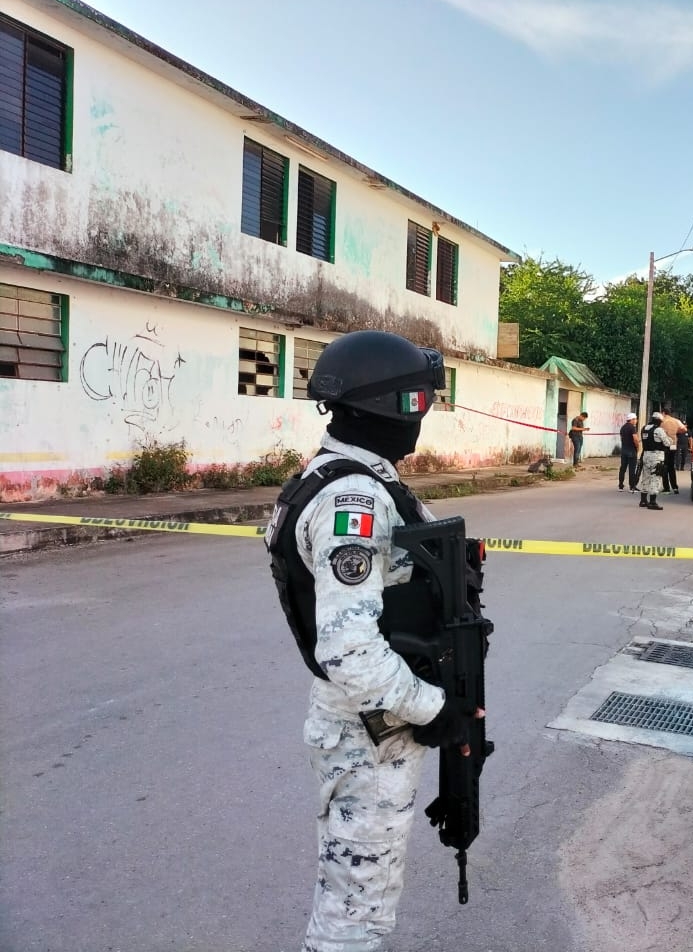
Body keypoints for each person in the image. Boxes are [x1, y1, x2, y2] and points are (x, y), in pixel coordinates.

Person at [263, 329, 483, 952]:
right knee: (357, 909)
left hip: (370, 722)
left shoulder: (350, 477)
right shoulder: (353, 498)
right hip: (370, 728)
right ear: (391, 408)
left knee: (355, 892)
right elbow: (349, 647)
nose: (423, 416)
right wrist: (434, 710)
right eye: (419, 401)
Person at [638, 411, 674, 510]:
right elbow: (667, 443)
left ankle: (643, 500)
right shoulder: (658, 430)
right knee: (655, 478)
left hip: (645, 455)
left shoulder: (644, 428)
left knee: (645, 477)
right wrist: (670, 439)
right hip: (656, 457)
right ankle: (652, 502)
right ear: (658, 421)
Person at [659, 408, 686, 494]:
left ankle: (666, 488)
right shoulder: (676, 420)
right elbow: (684, 429)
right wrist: (676, 432)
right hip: (673, 445)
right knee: (671, 465)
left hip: (664, 445)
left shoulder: (662, 421)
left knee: (664, 466)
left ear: (663, 413)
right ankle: (675, 487)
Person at [618, 412, 640, 491]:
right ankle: (632, 486)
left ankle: (620, 485)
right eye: (635, 419)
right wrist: (637, 448)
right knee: (632, 469)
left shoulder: (623, 427)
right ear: (632, 419)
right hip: (631, 450)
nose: (636, 420)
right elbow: (635, 439)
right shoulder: (632, 428)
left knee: (622, 468)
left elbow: (621, 438)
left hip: (624, 450)